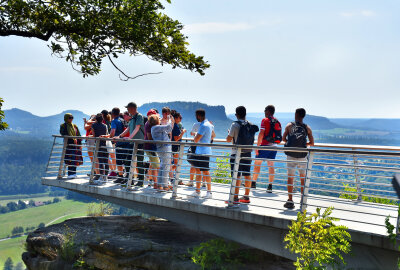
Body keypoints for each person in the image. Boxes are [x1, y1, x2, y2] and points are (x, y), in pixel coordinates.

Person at [283, 108, 314, 209]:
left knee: (290, 178)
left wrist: (290, 142)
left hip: (291, 154)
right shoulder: (307, 127)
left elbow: (283, 139)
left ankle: (290, 200)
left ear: (296, 114)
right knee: (302, 178)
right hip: (302, 155)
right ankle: (302, 200)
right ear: (303, 116)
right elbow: (312, 143)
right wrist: (304, 144)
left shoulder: (289, 126)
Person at [226, 106, 259, 204]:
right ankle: (246, 197)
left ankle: (235, 198)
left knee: (236, 175)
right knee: (247, 174)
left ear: (236, 115)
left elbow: (228, 139)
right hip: (248, 153)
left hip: (236, 153)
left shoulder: (235, 125)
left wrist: (229, 133)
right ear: (245, 114)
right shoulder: (250, 125)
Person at [252, 105, 282, 193]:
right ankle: (270, 186)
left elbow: (261, 134)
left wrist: (257, 147)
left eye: (265, 110)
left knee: (257, 164)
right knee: (271, 165)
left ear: (268, 111)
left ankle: (253, 183)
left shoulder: (265, 120)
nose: (264, 112)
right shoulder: (277, 121)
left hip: (265, 145)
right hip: (274, 146)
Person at [116, 102, 145, 187]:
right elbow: (128, 129)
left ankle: (140, 181)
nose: (127, 110)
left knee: (139, 161)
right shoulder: (132, 118)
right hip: (132, 142)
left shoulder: (139, 116)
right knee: (127, 161)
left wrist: (130, 137)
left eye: (128, 108)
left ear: (132, 108)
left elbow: (137, 127)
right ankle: (130, 180)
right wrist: (120, 136)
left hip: (139, 142)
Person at [188, 109, 216, 199]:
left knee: (205, 172)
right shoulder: (209, 124)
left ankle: (209, 192)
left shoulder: (203, 125)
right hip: (203, 151)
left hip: (202, 152)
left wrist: (195, 133)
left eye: (196, 116)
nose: (196, 117)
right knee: (199, 171)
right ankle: (198, 191)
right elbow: (213, 136)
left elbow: (196, 139)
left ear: (199, 116)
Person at [150, 114, 174, 191]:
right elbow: (169, 128)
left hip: (160, 148)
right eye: (158, 118)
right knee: (166, 167)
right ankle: (165, 186)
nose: (160, 119)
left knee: (162, 167)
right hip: (165, 148)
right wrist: (170, 120)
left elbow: (166, 129)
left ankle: (160, 185)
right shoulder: (156, 127)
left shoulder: (153, 128)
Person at [102, 108, 125, 180]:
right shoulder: (122, 120)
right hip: (125, 141)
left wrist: (107, 136)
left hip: (118, 142)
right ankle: (125, 176)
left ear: (112, 114)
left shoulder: (114, 121)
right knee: (125, 160)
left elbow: (112, 132)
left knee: (118, 160)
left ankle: (120, 177)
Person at [60, 113, 83, 179]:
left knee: (75, 159)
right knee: (70, 159)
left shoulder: (74, 126)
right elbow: (63, 133)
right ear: (66, 118)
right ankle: (70, 174)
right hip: (69, 145)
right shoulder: (63, 126)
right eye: (70, 117)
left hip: (76, 145)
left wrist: (80, 144)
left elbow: (79, 135)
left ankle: (74, 173)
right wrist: (72, 138)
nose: (71, 119)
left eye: (72, 117)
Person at [144, 109, 160, 189]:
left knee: (153, 165)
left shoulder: (148, 123)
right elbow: (149, 137)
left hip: (149, 147)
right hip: (150, 148)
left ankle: (152, 181)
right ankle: (156, 184)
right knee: (156, 166)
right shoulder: (149, 124)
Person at [91, 113, 109, 182]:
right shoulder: (105, 126)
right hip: (105, 144)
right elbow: (107, 134)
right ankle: (106, 177)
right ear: (102, 119)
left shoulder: (93, 125)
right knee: (106, 161)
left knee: (100, 161)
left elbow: (94, 135)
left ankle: (101, 176)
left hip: (98, 144)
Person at [171, 112, 186, 184]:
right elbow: (176, 139)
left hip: (173, 147)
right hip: (175, 147)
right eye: (180, 118)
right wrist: (182, 132)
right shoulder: (175, 126)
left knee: (175, 163)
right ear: (176, 118)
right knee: (177, 163)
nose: (181, 119)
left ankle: (173, 176)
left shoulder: (173, 125)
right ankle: (175, 178)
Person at [102, 110, 116, 177]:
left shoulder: (104, 122)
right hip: (112, 140)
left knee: (106, 157)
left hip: (107, 141)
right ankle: (115, 171)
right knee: (113, 156)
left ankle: (112, 170)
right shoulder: (110, 121)